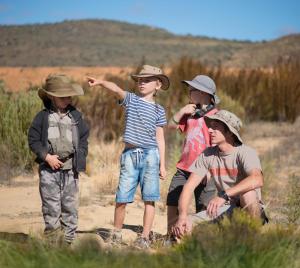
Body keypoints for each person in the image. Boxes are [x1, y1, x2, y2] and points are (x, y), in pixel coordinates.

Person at [87, 65, 169, 249]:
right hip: (130, 155)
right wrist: (100, 83)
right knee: (122, 198)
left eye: (146, 80)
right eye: (140, 79)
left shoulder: (159, 110)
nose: (141, 82)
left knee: (150, 198)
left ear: (158, 85)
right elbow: (116, 89)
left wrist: (162, 164)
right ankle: (116, 234)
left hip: (151, 156)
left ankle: (145, 238)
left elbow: (160, 138)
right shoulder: (131, 100)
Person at [172, 110, 268, 238]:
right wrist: (182, 216)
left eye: (215, 127)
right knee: (186, 224)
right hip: (225, 209)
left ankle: (255, 238)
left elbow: (257, 179)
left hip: (248, 208)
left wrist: (224, 195)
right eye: (210, 126)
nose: (210, 130)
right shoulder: (208, 154)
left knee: (248, 194)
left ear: (229, 132)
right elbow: (189, 187)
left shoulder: (245, 152)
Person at [28, 74, 89, 244]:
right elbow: (33, 139)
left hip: (71, 170)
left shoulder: (75, 116)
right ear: (52, 97)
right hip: (49, 170)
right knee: (51, 207)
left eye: (69, 96)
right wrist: (46, 157)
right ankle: (52, 243)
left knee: (70, 207)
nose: (68, 99)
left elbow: (84, 137)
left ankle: (68, 242)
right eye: (63, 96)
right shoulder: (43, 117)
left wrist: (81, 154)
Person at [166, 75, 219, 233]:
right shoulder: (190, 113)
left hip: (204, 170)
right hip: (184, 167)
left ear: (203, 93)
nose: (188, 93)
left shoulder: (215, 116)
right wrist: (182, 111)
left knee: (203, 207)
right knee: (173, 201)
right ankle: (171, 235)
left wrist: (210, 169)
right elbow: (170, 126)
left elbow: (216, 145)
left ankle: (198, 238)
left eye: (191, 90)